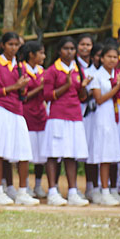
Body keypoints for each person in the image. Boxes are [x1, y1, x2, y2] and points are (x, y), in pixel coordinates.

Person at [0, 32, 35, 206]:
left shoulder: (21, 66)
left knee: (23, 151)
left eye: (16, 45)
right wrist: (14, 87)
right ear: (3, 45)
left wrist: (22, 88)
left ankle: (22, 192)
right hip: (1, 109)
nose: (14, 48)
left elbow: (23, 93)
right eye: (11, 44)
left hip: (17, 110)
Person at [41, 37, 90, 206]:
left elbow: (82, 97)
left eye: (72, 49)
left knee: (71, 155)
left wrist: (82, 86)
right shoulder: (53, 70)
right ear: (59, 51)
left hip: (75, 116)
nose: (69, 52)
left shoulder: (78, 69)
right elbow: (47, 95)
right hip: (58, 116)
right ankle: (53, 191)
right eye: (66, 48)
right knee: (54, 154)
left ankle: (72, 191)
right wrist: (66, 85)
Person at [88, 43, 120, 206]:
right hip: (105, 116)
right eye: (108, 56)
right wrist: (117, 86)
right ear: (102, 58)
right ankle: (105, 191)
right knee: (105, 154)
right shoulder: (97, 76)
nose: (112, 60)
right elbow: (100, 99)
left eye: (115, 57)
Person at [19, 42, 47, 199]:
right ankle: (26, 184)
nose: (43, 56)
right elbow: (23, 96)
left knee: (40, 154)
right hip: (27, 114)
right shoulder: (22, 69)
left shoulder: (42, 71)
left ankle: (37, 183)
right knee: (26, 151)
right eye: (41, 53)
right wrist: (40, 88)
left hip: (41, 115)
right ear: (31, 55)